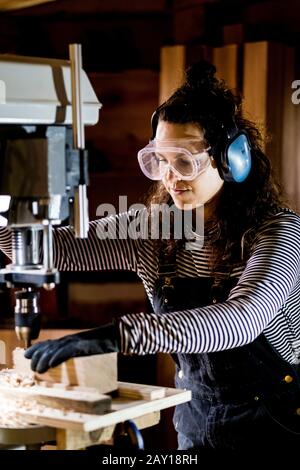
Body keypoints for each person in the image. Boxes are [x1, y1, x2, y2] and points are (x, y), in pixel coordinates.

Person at [1, 60, 300, 454]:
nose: (171, 177)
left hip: (275, 432)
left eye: (185, 160)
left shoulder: (279, 232)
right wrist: (11, 208)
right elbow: (54, 249)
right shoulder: (153, 230)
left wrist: (115, 335)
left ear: (232, 158)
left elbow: (240, 320)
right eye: (160, 160)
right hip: (195, 429)